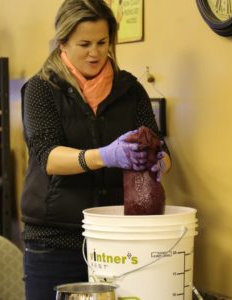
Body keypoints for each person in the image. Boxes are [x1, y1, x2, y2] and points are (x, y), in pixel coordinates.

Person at [20, 0, 171, 299]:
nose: (95, 52)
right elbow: (48, 156)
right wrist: (106, 155)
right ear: (63, 41)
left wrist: (158, 160)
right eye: (84, 44)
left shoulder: (130, 89)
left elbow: (158, 145)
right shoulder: (41, 89)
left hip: (116, 240)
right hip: (54, 241)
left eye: (103, 42)